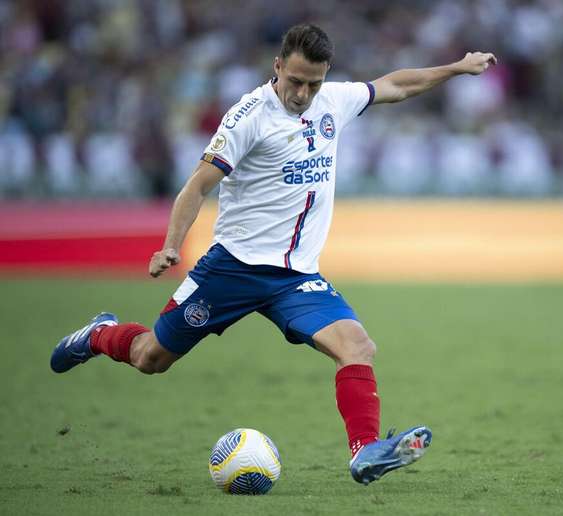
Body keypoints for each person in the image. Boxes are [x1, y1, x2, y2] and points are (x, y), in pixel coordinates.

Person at [51, 24, 496, 486]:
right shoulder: (247, 117)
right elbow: (197, 185)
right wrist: (171, 245)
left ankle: (365, 451)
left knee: (357, 346)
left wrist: (458, 69)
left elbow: (396, 85)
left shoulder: (334, 101)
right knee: (151, 358)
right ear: (278, 66)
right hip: (232, 268)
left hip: (295, 277)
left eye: (314, 83)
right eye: (296, 81)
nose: (303, 93)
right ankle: (100, 333)